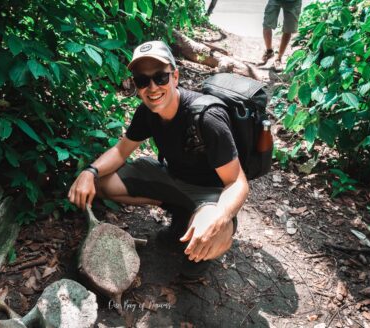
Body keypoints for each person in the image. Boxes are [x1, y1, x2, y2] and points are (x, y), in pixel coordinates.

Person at [68, 40, 249, 278]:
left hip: (211, 193)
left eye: (160, 77)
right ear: (136, 85)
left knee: (210, 234)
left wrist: (221, 217)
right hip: (173, 176)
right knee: (101, 183)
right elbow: (121, 151)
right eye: (143, 81)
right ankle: (180, 209)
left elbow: (237, 182)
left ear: (175, 77)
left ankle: (203, 238)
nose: (152, 87)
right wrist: (89, 172)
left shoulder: (208, 118)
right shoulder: (147, 111)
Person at [258, 0, 303, 70]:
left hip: (293, 2)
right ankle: (269, 51)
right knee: (267, 24)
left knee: (288, 29)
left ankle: (278, 58)